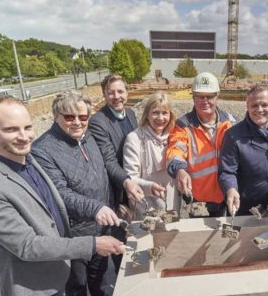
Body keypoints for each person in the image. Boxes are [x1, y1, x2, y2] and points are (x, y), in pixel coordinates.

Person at [0, 95, 125, 296]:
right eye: (11, 129)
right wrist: (92, 243)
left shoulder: (27, 160)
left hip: (55, 269)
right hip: (31, 286)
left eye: (27, 127)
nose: (24, 136)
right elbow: (27, 246)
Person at [31, 91, 118, 296]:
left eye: (83, 116)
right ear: (56, 116)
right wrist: (95, 208)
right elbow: (59, 194)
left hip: (101, 223)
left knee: (99, 272)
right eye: (69, 116)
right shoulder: (42, 149)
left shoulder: (87, 137)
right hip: (72, 230)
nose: (77, 122)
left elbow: (103, 173)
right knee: (76, 280)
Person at [88, 74, 144, 272]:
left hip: (133, 182)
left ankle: (137, 267)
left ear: (127, 93)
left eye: (120, 91)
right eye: (110, 93)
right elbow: (109, 161)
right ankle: (123, 276)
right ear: (104, 94)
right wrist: (127, 182)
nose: (116, 96)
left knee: (136, 231)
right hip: (116, 188)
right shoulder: (98, 121)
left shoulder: (130, 114)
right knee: (119, 237)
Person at [166, 72, 236, 217]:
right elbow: (175, 151)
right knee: (199, 238)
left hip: (227, 193)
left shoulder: (230, 122)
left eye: (209, 96)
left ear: (217, 96)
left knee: (225, 237)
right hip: (199, 199)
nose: (205, 101)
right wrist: (180, 170)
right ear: (193, 97)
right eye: (200, 96)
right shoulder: (183, 125)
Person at [219, 84, 268, 216]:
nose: (259, 110)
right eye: (254, 105)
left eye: (264, 105)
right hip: (244, 207)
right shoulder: (233, 135)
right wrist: (230, 189)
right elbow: (227, 171)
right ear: (247, 107)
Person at [123, 91, 180, 219]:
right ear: (147, 114)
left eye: (165, 113)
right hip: (145, 205)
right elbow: (130, 177)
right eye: (155, 112)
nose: (160, 118)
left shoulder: (175, 137)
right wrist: (150, 187)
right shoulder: (135, 138)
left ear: (170, 115)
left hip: (171, 204)